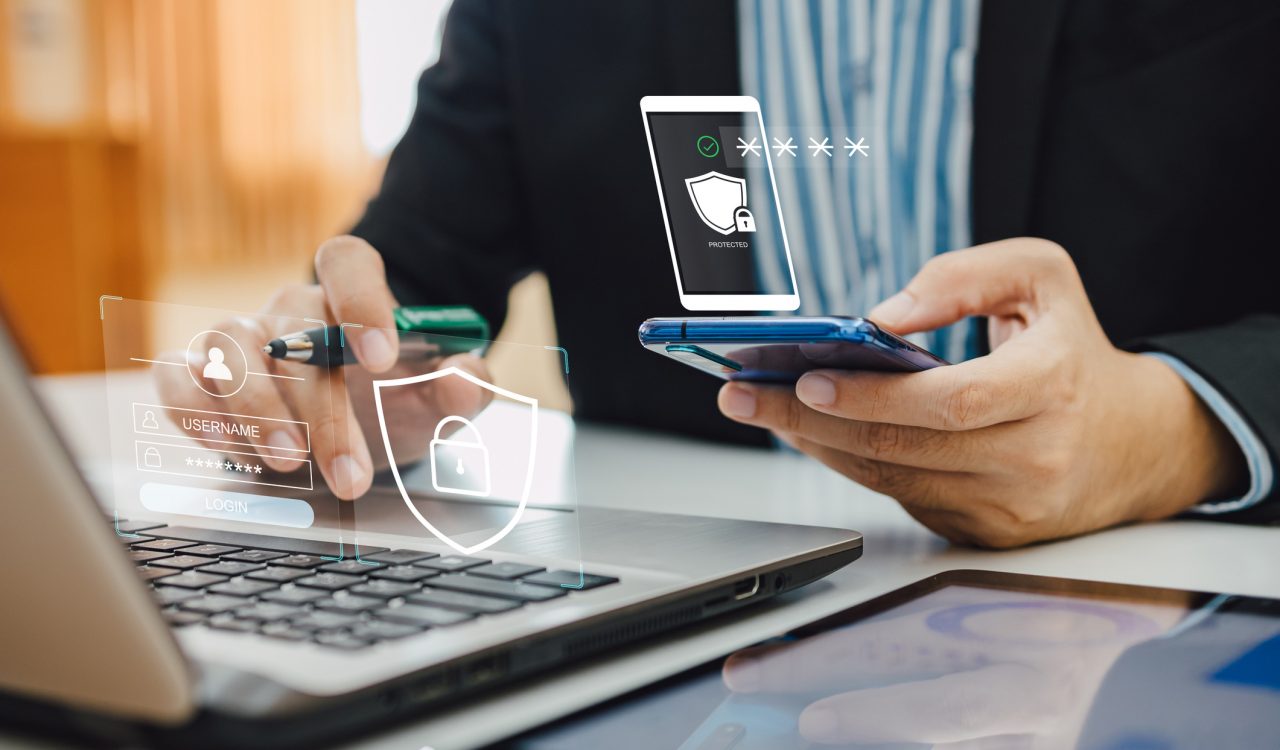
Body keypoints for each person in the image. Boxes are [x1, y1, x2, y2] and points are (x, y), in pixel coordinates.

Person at [214, 0, 1280, 547]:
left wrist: (1170, 431)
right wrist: (338, 371)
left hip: (1162, 591)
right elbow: (410, 276)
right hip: (683, 613)